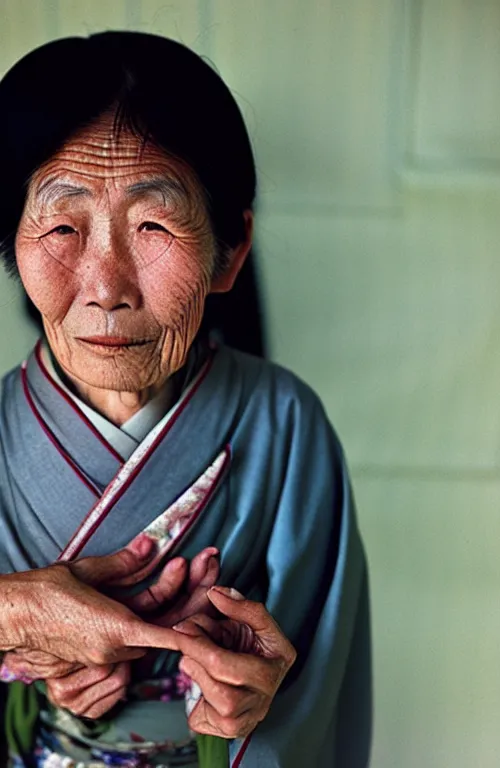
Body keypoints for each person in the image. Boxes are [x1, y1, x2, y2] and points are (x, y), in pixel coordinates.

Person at [0, 32, 371, 768]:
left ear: (230, 251)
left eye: (153, 225)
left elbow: (319, 685)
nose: (106, 287)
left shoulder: (286, 426)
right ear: (11, 243)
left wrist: (254, 698)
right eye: (64, 225)